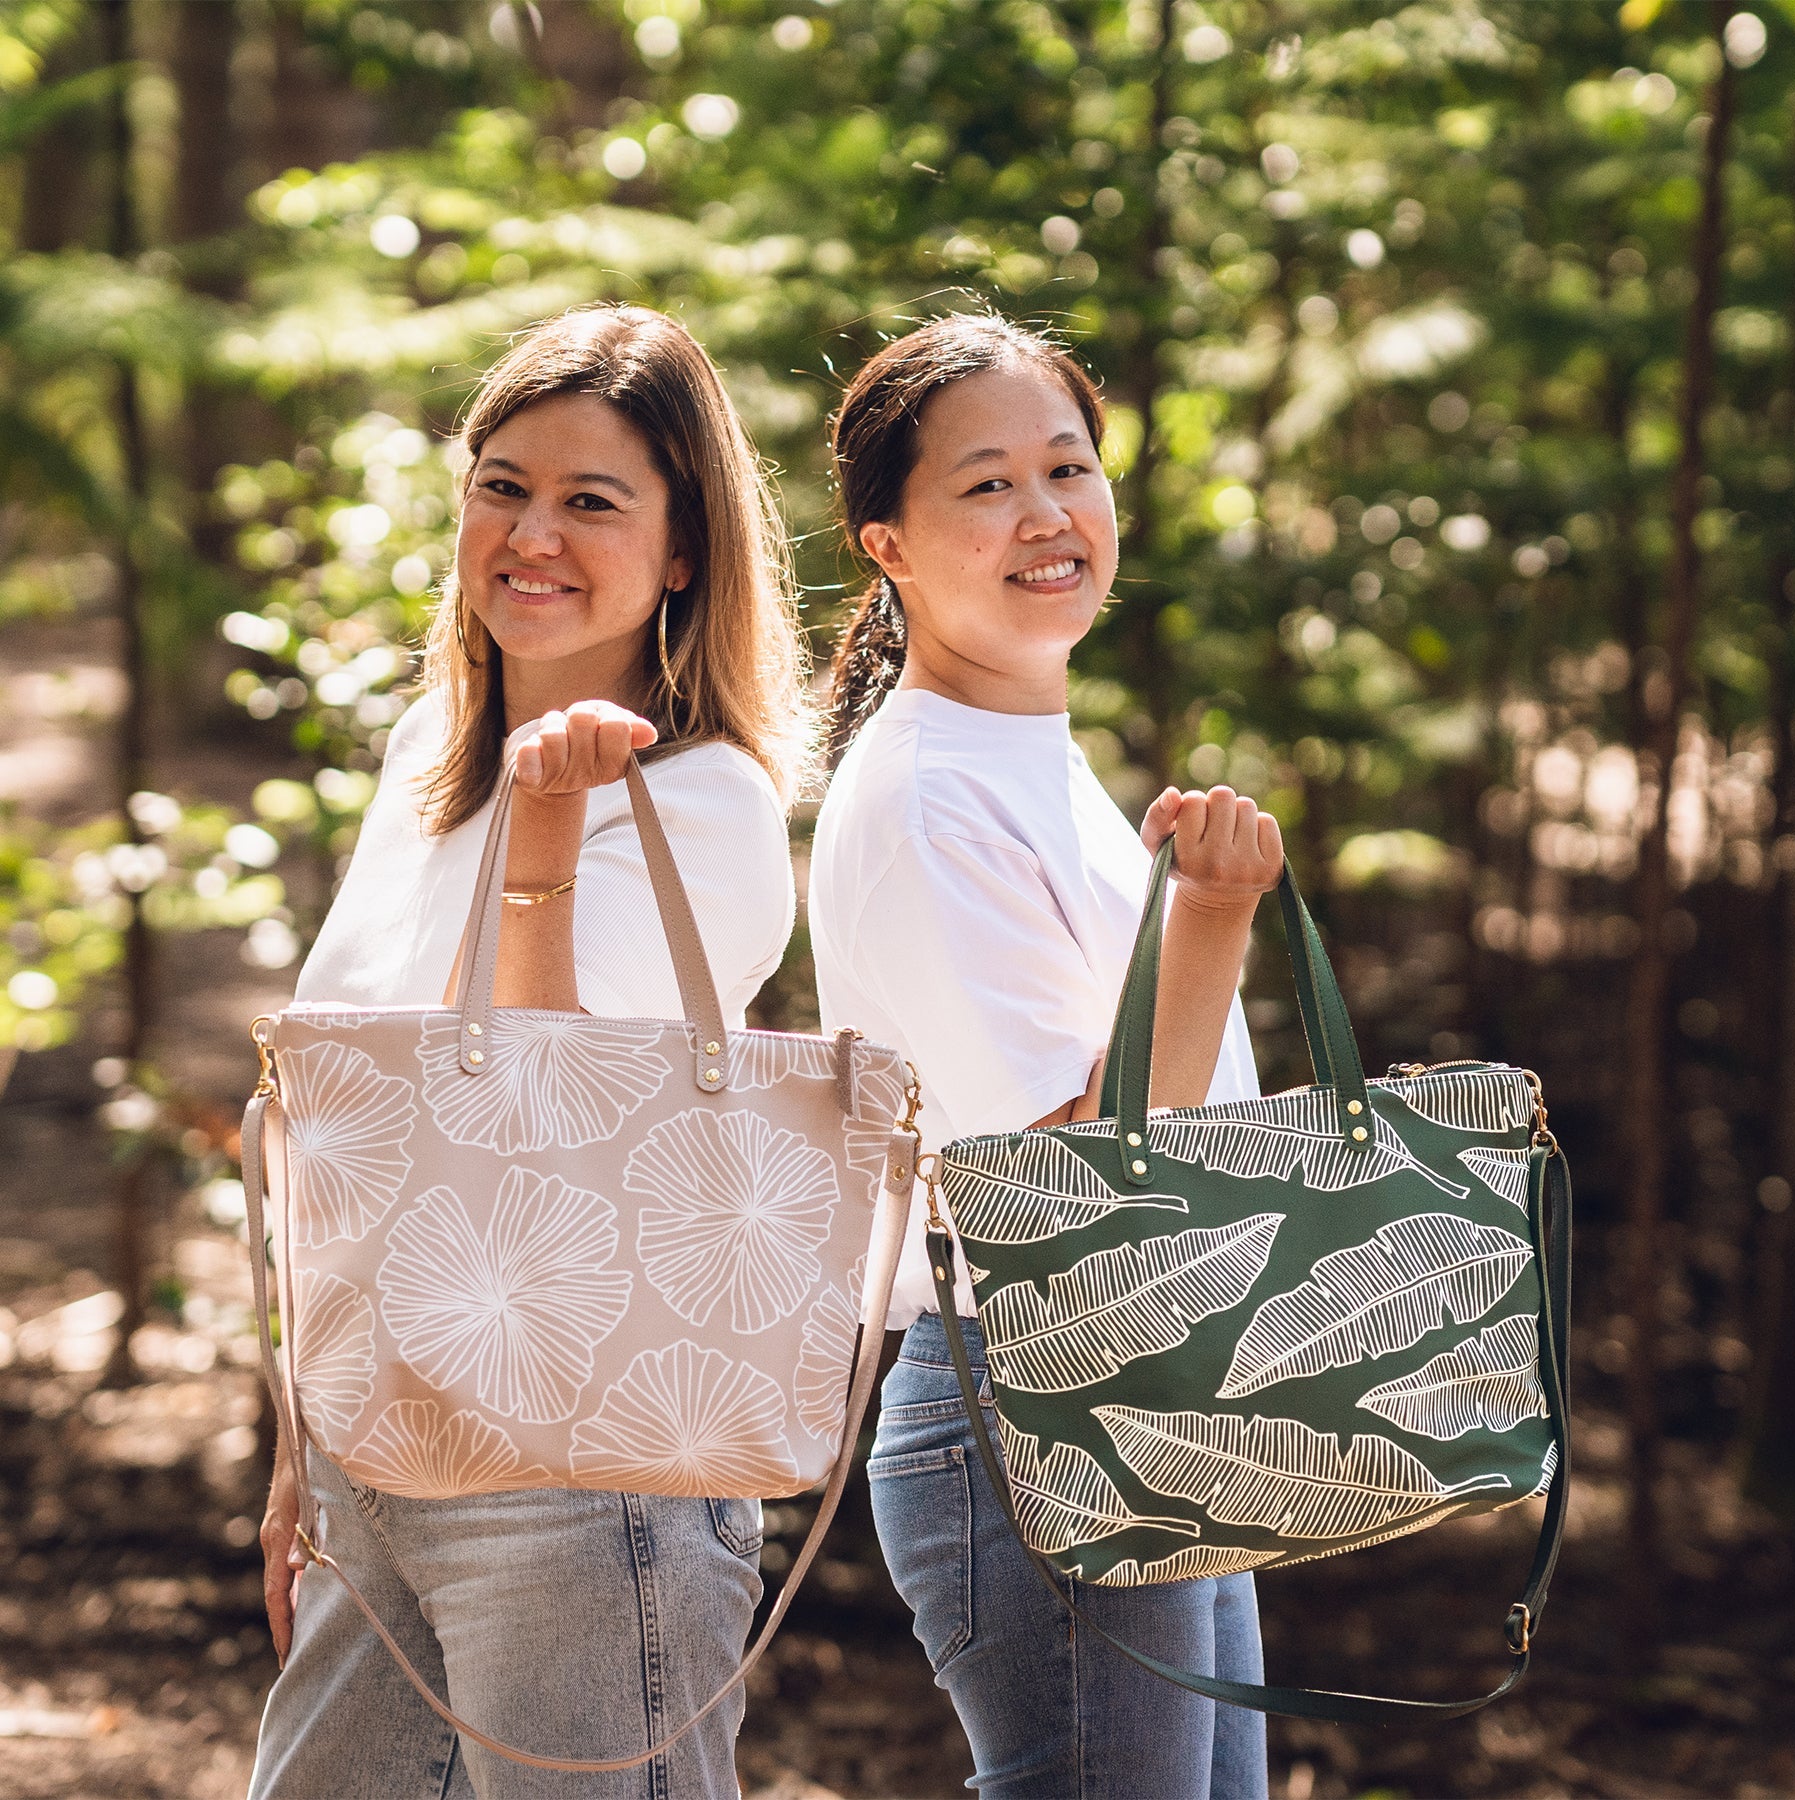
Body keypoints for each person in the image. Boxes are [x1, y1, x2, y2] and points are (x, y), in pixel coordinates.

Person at [250, 303, 810, 1799]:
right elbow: (342, 1120)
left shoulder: (706, 804)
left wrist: (553, 833)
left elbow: (546, 1128)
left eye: (592, 500)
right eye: (503, 485)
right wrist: (305, 1446)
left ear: (682, 551)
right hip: (385, 1443)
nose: (532, 533)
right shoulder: (422, 764)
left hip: (583, 1477)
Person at [809, 312, 1279, 1799]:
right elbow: (1074, 1182)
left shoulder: (1026, 750)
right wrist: (1208, 917)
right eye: (988, 484)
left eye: (1068, 467)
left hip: (1151, 1382)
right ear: (887, 542)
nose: (1047, 514)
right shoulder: (927, 792)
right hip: (1033, 1403)